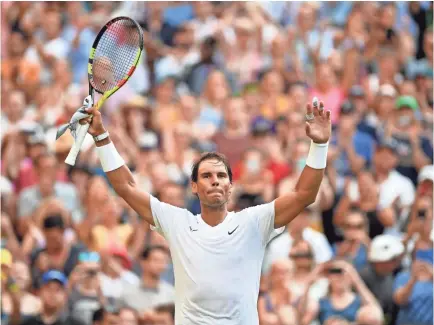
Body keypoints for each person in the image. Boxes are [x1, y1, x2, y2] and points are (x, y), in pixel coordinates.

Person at [79, 95, 331, 325]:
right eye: (207, 175)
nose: (215, 180)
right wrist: (101, 136)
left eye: (221, 175)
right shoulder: (177, 222)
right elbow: (126, 186)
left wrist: (319, 147)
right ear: (194, 187)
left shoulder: (254, 221)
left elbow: (304, 194)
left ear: (231, 187)